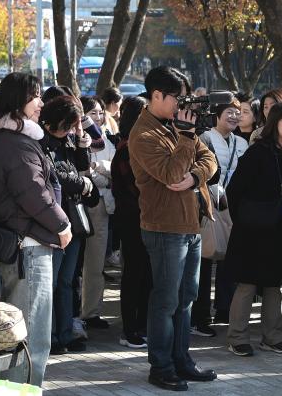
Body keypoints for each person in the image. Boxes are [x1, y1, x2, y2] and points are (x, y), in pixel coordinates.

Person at [129, 66, 218, 391]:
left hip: (190, 223)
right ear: (157, 96)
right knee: (165, 300)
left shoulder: (177, 127)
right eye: (177, 98)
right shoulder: (144, 133)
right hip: (164, 227)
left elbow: (209, 160)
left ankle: (182, 360)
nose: (183, 105)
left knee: (187, 298)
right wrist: (186, 139)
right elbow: (169, 174)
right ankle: (161, 366)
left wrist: (194, 178)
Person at [0, 72, 69, 386]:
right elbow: (34, 192)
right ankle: (24, 391)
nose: (41, 104)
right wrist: (62, 224)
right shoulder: (16, 143)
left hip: (20, 247)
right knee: (31, 338)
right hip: (27, 249)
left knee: (20, 335)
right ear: (19, 101)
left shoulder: (11, 138)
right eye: (35, 97)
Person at [225, 102, 282, 358]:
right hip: (252, 231)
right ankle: (237, 337)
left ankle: (272, 337)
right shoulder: (257, 152)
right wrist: (247, 218)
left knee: (273, 286)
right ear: (275, 122)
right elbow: (233, 191)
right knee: (247, 284)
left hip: (280, 231)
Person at [40, 94, 96, 354]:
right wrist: (82, 183)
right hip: (51, 221)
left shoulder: (71, 140)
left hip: (71, 220)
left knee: (66, 281)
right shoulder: (41, 140)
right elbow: (56, 176)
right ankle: (49, 336)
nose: (73, 130)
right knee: (50, 282)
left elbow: (82, 168)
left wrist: (83, 146)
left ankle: (64, 333)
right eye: (70, 124)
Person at [193, 99, 248, 335]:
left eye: (238, 113)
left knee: (230, 260)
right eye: (229, 112)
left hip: (233, 208)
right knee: (204, 262)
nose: (234, 116)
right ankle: (201, 316)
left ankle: (224, 310)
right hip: (209, 208)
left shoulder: (242, 142)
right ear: (216, 114)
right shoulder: (205, 138)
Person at [111, 96, 152, 349]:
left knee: (145, 273)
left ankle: (142, 326)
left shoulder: (138, 145)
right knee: (135, 273)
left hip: (144, 217)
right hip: (133, 218)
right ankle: (130, 329)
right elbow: (136, 189)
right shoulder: (127, 148)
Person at [79, 95, 116, 330]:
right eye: (93, 113)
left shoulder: (106, 140)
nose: (99, 117)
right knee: (75, 264)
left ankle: (91, 312)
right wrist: (100, 174)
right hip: (80, 204)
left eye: (101, 112)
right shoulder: (78, 138)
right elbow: (82, 174)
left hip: (101, 205)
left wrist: (98, 170)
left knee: (95, 263)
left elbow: (115, 171)